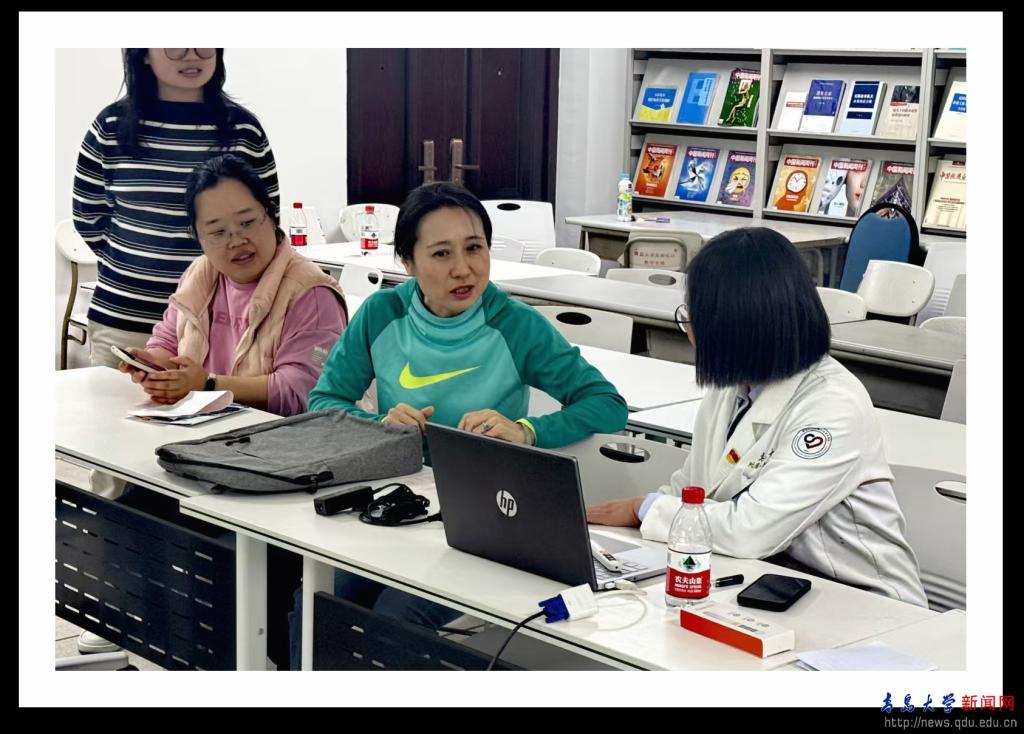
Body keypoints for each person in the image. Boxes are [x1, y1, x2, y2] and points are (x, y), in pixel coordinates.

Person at [289, 181, 629, 669]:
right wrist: (380, 424)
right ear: (407, 262)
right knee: (315, 599)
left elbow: (607, 404)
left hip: (486, 519)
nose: (464, 269)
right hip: (398, 504)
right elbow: (324, 402)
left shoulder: (515, 324)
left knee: (396, 618)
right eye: (441, 253)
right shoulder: (383, 313)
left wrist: (527, 430)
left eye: (475, 248)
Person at [587, 227, 927, 607]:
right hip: (766, 582)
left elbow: (751, 530)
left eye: (694, 317)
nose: (688, 330)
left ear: (734, 325)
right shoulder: (732, 388)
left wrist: (644, 509)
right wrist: (624, 533)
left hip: (865, 603)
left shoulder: (833, 406)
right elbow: (692, 488)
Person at [72, 48, 279, 368]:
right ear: (143, 54)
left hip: (218, 325)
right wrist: (137, 261)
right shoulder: (111, 126)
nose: (192, 55)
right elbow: (88, 217)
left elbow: (266, 221)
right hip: (126, 321)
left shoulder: (242, 130)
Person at [117, 153, 347, 415]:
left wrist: (209, 384)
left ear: (271, 216)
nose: (236, 241)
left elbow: (302, 392)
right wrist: (154, 367)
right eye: (218, 232)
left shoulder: (311, 293)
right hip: (205, 428)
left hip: (281, 435)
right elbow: (168, 343)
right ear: (196, 237)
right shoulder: (199, 275)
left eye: (247, 223)